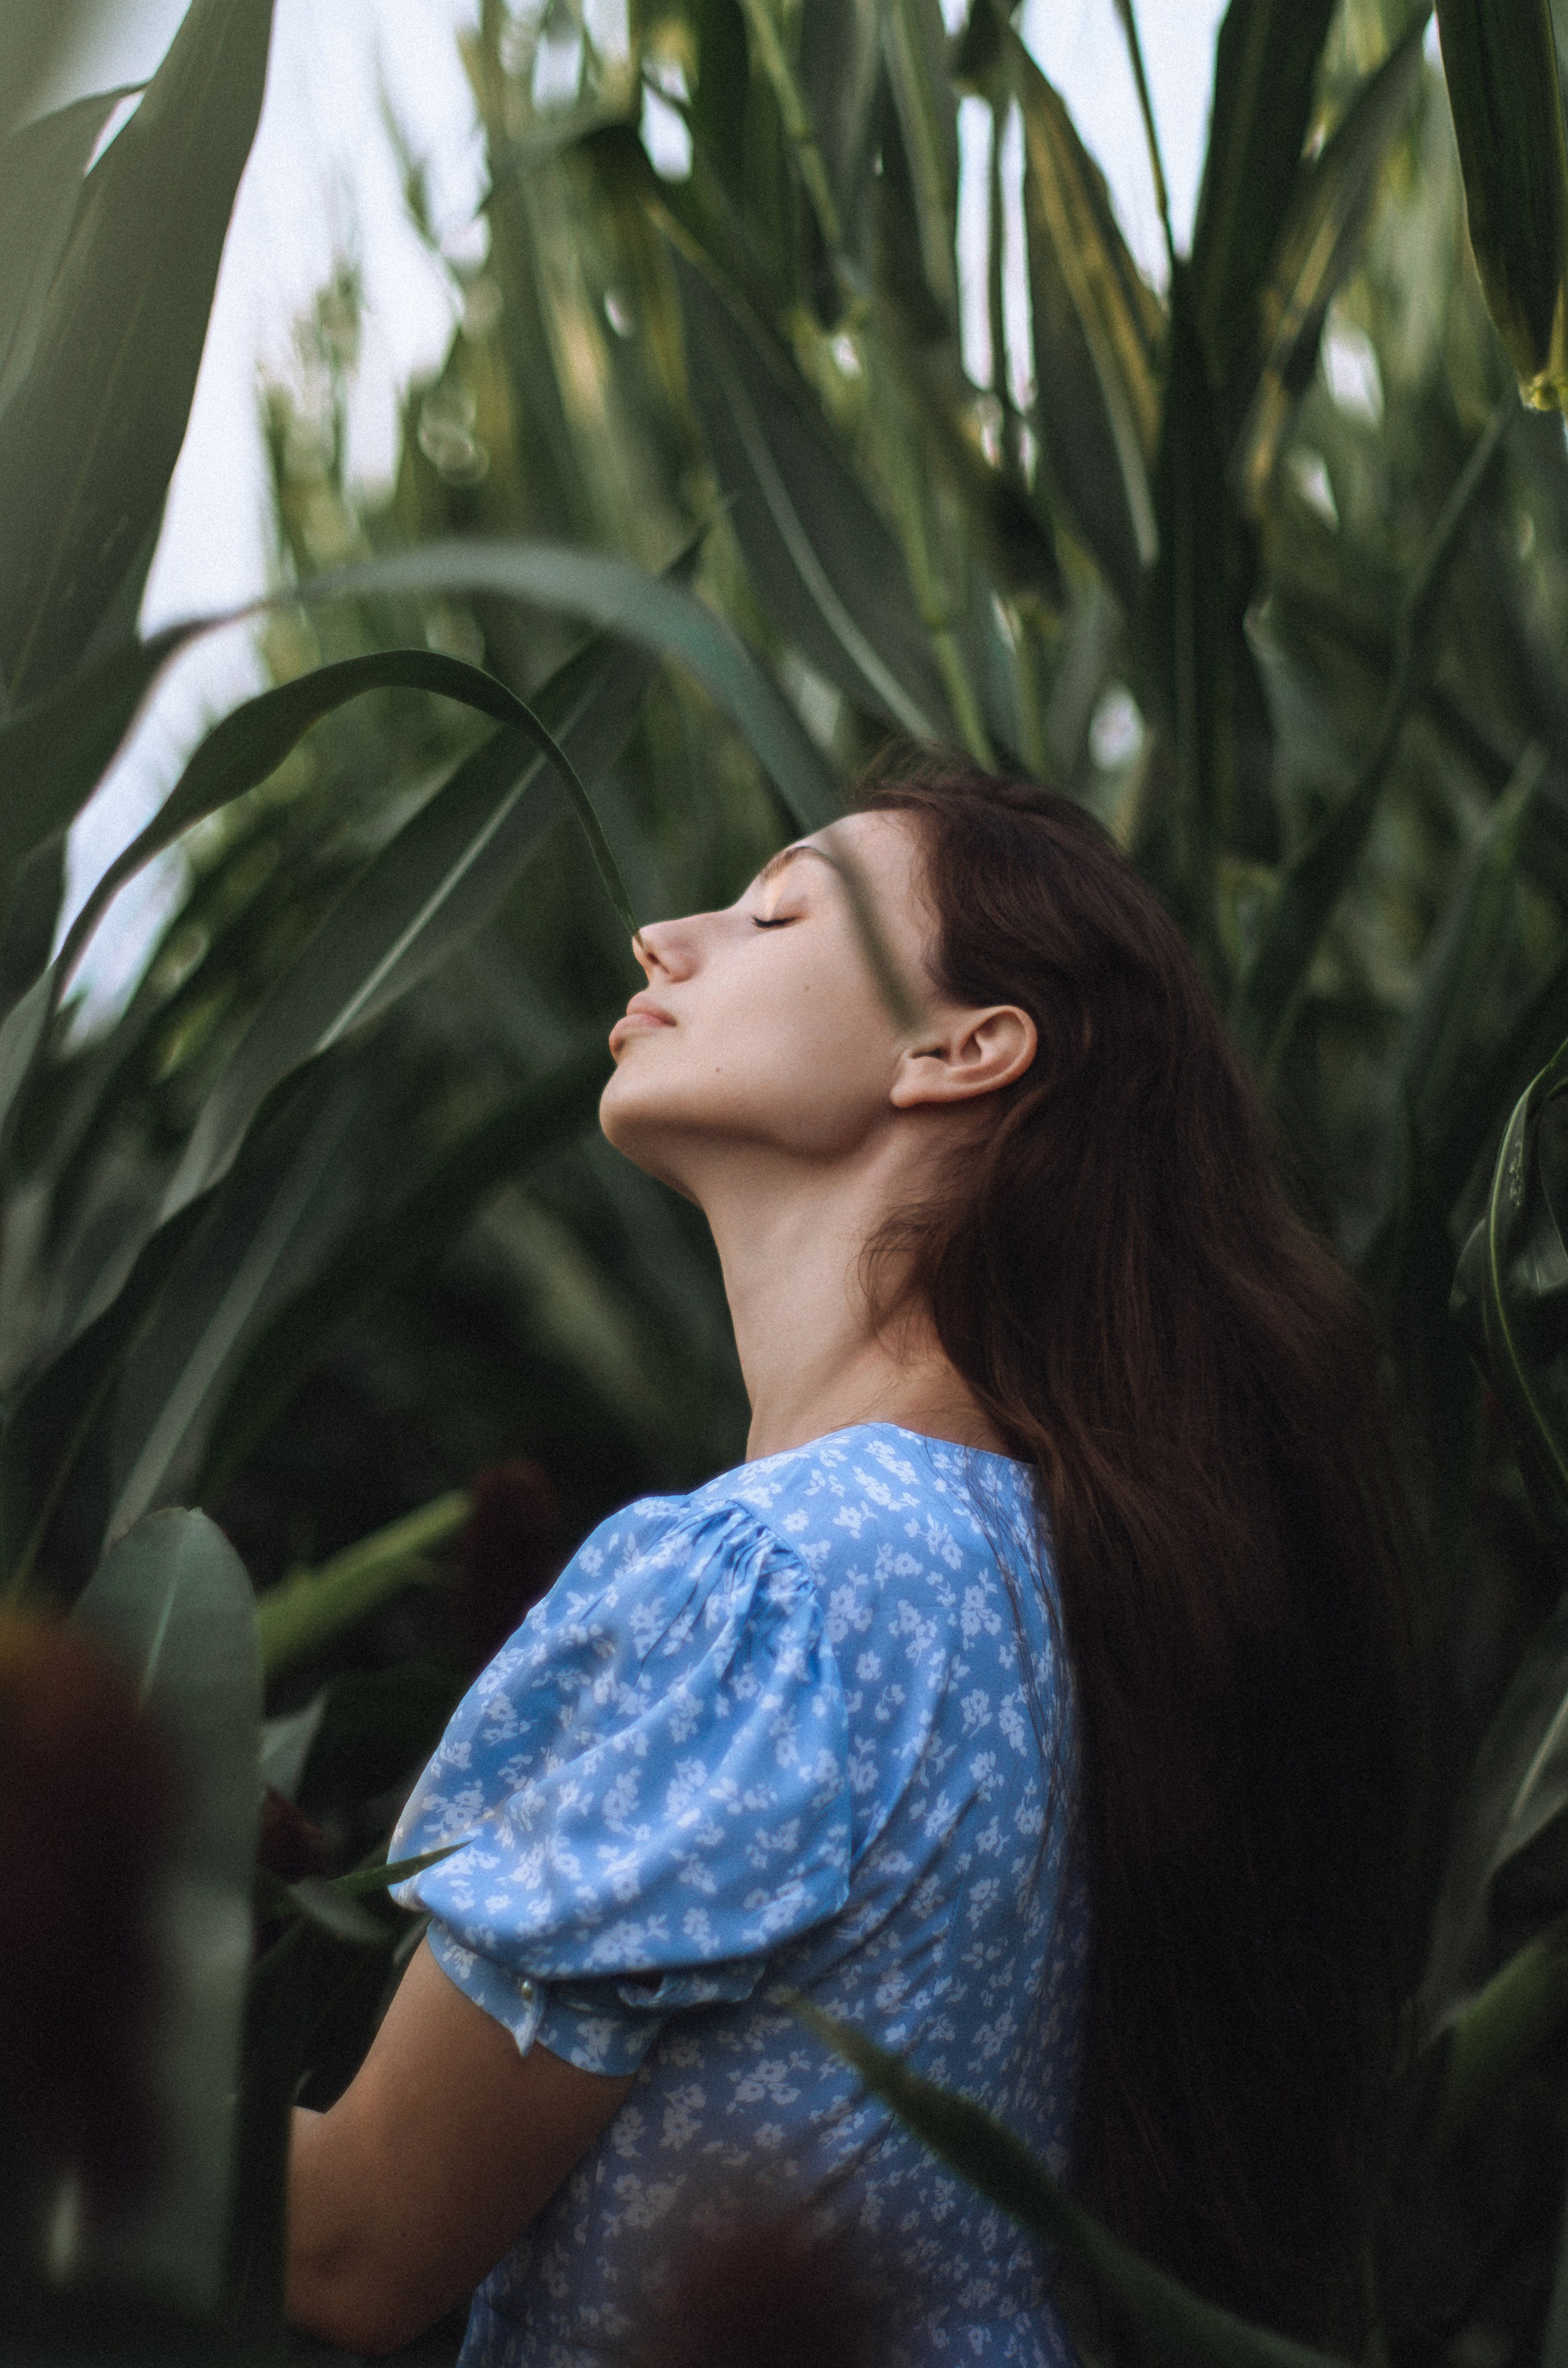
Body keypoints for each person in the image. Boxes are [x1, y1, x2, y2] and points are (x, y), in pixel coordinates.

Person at [285, 756, 1416, 2365]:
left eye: (771, 910)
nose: (663, 939)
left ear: (964, 1046)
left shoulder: (774, 1587)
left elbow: (350, 2241)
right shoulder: (1056, 1578)